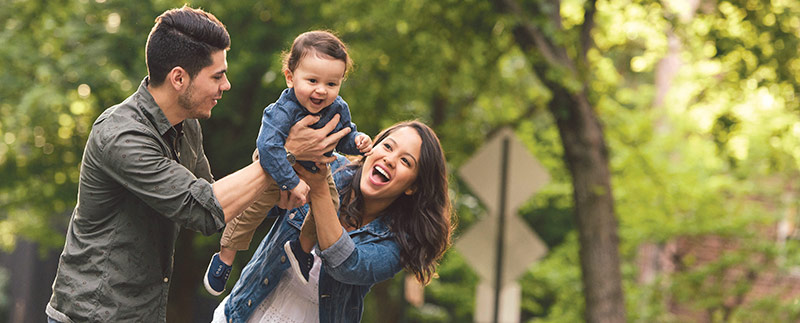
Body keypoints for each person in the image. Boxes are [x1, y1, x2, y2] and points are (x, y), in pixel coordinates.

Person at [45, 6, 350, 322]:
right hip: (90, 316)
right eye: (217, 75)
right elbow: (204, 209)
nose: (226, 85)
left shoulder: (186, 125)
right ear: (179, 78)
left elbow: (218, 199)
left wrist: (280, 190)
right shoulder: (121, 135)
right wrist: (284, 153)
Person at [212, 121, 455, 323]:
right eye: (388, 147)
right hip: (242, 312)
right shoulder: (329, 166)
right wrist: (281, 179)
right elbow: (256, 200)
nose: (390, 159)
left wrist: (319, 190)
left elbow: (347, 264)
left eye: (406, 162)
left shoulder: (395, 243)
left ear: (412, 186)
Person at [204, 30, 372, 296]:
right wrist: (291, 182)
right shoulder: (283, 110)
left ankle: (301, 248)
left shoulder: (338, 108)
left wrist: (358, 140)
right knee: (250, 208)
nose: (321, 90)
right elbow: (268, 147)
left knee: (331, 204)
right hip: (275, 167)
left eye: (332, 84)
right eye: (313, 80)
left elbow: (344, 134)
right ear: (290, 77)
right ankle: (225, 256)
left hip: (315, 170)